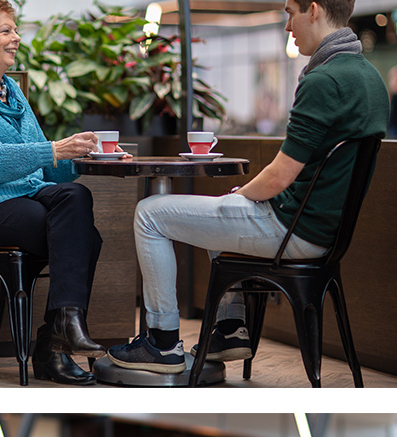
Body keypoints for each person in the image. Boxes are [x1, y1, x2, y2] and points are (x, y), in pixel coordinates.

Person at [107, 0, 388, 374]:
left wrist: (239, 196)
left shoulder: (325, 80)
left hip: (293, 229)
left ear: (315, 10)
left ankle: (161, 344)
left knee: (149, 215)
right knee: (219, 212)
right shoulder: (369, 78)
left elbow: (280, 176)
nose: (287, 25)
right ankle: (229, 329)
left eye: (290, 12)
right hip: (325, 231)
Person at [0, 0, 113, 386]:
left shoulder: (11, 92)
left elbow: (46, 168)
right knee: (84, 239)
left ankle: (61, 331)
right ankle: (52, 347)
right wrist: (53, 148)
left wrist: (87, 156)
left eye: (15, 30)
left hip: (26, 199)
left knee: (76, 199)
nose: (16, 38)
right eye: (6, 30)